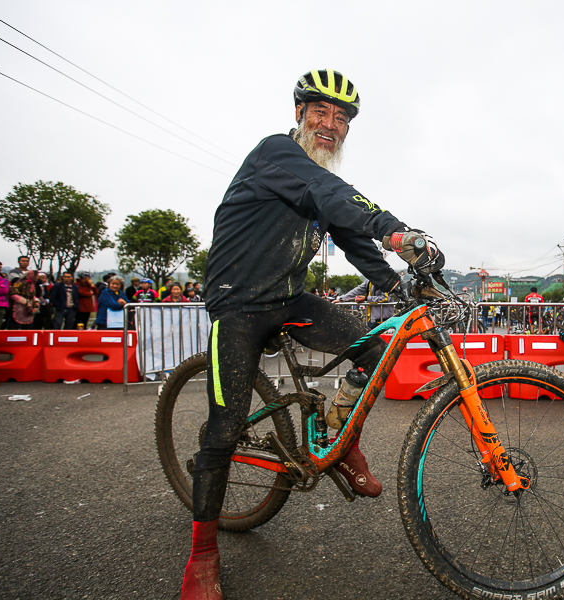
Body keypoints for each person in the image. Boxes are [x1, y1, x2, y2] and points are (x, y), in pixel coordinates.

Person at [182, 68, 443, 600]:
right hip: (237, 303)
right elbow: (330, 191)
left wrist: (399, 283)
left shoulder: (318, 180)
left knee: (376, 346)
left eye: (341, 117)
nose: (330, 124)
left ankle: (337, 430)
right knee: (224, 430)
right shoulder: (276, 153)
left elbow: (352, 236)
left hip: (288, 299)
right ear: (299, 114)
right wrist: (396, 229)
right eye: (320, 112)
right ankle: (202, 556)